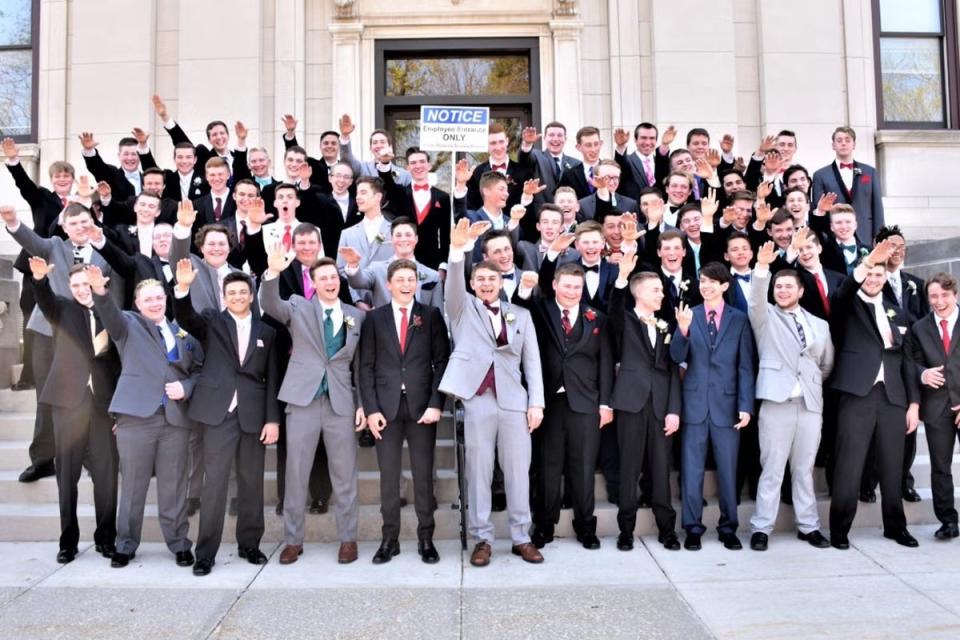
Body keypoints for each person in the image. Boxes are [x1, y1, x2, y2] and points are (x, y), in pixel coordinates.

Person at [439, 218, 545, 567]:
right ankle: (482, 538)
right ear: (472, 284)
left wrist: (536, 403)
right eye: (480, 279)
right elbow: (453, 284)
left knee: (518, 471)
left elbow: (532, 364)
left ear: (502, 282)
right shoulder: (461, 308)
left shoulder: (521, 315)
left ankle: (521, 537)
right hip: (477, 399)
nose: (486, 284)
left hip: (514, 401)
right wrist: (458, 251)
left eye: (492, 279)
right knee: (480, 471)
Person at [87, 266, 203, 568]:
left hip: (175, 420)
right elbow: (109, 314)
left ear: (166, 299)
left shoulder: (184, 335)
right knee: (134, 484)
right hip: (136, 417)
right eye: (147, 300)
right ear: (138, 304)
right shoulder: (127, 324)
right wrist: (100, 291)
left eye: (158, 298)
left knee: (174, 485)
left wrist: (187, 386)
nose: (154, 303)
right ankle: (125, 544)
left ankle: (179, 542)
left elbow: (199, 371)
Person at [2, 202, 121, 487]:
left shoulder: (106, 252)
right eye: (74, 223)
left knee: (92, 395)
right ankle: (43, 459)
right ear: (64, 227)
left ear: (93, 222)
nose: (80, 227)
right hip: (49, 330)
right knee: (47, 395)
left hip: (89, 333)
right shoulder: (54, 245)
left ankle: (91, 455)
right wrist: (14, 222)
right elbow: (30, 240)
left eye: (85, 221)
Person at [172, 267, 280, 576]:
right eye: (231, 293)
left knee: (251, 483)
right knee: (215, 484)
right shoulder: (212, 322)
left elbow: (272, 378)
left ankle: (249, 544)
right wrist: (181, 289)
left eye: (242, 292)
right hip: (217, 414)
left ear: (250, 296)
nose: (237, 297)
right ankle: (205, 553)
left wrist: (272, 420)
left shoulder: (266, 331)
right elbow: (185, 318)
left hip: (252, 416)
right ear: (224, 296)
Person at [260, 253, 365, 566]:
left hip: (341, 402)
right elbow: (269, 304)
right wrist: (272, 273)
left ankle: (348, 539)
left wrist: (361, 404)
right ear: (314, 283)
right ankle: (293, 540)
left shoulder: (355, 316)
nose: (330, 282)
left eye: (334, 277)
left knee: (345, 474)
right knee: (296, 473)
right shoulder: (298, 307)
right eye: (323, 278)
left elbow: (359, 365)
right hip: (303, 400)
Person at [515, 261, 614, 550]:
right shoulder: (541, 310)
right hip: (548, 402)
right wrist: (525, 289)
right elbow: (518, 308)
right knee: (547, 466)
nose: (572, 291)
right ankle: (544, 525)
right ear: (556, 285)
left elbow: (605, 363)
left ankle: (585, 526)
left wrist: (605, 404)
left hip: (586, 401)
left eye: (577, 287)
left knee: (583, 467)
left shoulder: (597, 317)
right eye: (567, 285)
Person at [827, 240, 920, 550]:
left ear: (885, 277)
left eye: (879, 275)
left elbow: (908, 361)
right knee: (850, 465)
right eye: (870, 274)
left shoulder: (896, 311)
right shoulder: (848, 304)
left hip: (893, 397)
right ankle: (839, 529)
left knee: (893, 467)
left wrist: (913, 404)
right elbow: (841, 294)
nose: (874, 279)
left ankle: (896, 527)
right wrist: (866, 264)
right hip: (857, 394)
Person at [358, 259, 450, 564]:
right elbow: (366, 366)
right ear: (389, 284)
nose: (406, 285)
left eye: (411, 279)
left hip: (423, 407)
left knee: (424, 476)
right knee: (389, 477)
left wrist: (437, 404)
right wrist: (370, 410)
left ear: (417, 282)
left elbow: (442, 363)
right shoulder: (374, 319)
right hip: (386, 409)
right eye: (400, 280)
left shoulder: (431, 316)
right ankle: (390, 539)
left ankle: (426, 537)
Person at [29, 258, 120, 564]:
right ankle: (68, 541)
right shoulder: (63, 310)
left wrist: (119, 411)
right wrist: (40, 281)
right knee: (66, 477)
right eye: (77, 286)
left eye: (87, 284)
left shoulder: (111, 313)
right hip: (68, 405)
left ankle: (106, 538)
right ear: (70, 288)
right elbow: (45, 300)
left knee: (106, 477)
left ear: (99, 283)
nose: (82, 290)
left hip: (102, 408)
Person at [747, 242, 834, 551]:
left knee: (803, 469)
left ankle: (808, 526)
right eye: (778, 286)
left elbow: (825, 365)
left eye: (788, 286)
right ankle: (761, 527)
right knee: (771, 468)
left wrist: (808, 383)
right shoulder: (765, 317)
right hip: (776, 404)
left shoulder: (820, 326)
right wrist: (761, 269)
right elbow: (756, 299)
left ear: (800, 291)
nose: (782, 290)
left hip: (810, 406)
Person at [670, 262, 756, 551]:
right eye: (702, 281)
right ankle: (692, 528)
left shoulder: (739, 319)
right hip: (694, 405)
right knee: (691, 470)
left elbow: (745, 366)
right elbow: (675, 358)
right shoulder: (688, 315)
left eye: (711, 281)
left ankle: (728, 526)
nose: (705, 286)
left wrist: (746, 405)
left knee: (728, 471)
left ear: (724, 286)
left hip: (728, 406)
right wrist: (682, 331)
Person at [607, 259, 681, 551]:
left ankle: (667, 530)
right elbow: (613, 308)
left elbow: (673, 369)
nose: (661, 295)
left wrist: (674, 409)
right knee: (629, 469)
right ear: (638, 293)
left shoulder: (666, 324)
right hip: (630, 404)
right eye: (655, 290)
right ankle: (626, 530)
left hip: (661, 406)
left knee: (662, 469)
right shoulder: (623, 320)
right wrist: (622, 275)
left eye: (661, 290)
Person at [906, 272, 960, 540]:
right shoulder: (919, 328)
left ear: (955, 295)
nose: (939, 301)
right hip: (937, 407)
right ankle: (948, 521)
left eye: (944, 295)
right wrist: (922, 374)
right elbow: (912, 363)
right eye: (933, 296)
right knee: (940, 467)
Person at [341, 217, 442, 309]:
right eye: (398, 235)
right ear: (391, 239)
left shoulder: (432, 276)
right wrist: (353, 265)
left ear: (416, 239)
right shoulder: (377, 269)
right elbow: (358, 282)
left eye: (408, 235)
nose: (403, 239)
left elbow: (438, 316)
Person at [377, 147, 451, 270]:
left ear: (429, 165)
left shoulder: (442, 197)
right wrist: (385, 163)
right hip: (403, 259)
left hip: (432, 262)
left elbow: (445, 235)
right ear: (407, 167)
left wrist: (443, 265)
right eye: (413, 163)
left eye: (422, 161)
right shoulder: (400, 193)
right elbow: (387, 181)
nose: (418, 166)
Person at [811, 126, 885, 239]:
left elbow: (877, 208)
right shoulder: (820, 175)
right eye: (839, 140)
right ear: (833, 145)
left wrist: (880, 236)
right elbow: (818, 209)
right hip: (833, 237)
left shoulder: (870, 172)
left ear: (854, 144)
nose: (843, 143)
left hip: (865, 234)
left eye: (847, 140)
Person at [337, 113, 411, 185]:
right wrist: (345, 136)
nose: (378, 145)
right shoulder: (362, 168)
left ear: (390, 146)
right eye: (375, 143)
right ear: (370, 149)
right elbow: (347, 161)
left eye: (382, 142)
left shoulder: (404, 175)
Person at [518, 122, 581, 202]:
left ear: (565, 139)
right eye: (551, 135)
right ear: (544, 138)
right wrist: (527, 144)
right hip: (542, 211)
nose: (555, 139)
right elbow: (524, 157)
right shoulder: (536, 156)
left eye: (560, 135)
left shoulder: (576, 164)